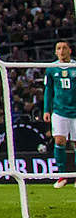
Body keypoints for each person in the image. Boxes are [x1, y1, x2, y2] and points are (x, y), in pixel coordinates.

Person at [45, 40, 76, 188]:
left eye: (64, 47)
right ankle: (62, 176)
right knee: (59, 141)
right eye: (59, 48)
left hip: (75, 111)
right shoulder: (51, 69)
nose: (62, 50)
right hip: (59, 111)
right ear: (55, 52)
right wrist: (46, 110)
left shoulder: (75, 66)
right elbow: (48, 91)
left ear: (70, 50)